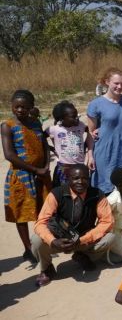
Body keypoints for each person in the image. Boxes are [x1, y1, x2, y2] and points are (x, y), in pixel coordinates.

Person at [32, 164, 114, 287]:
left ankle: (83, 256)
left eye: (85, 178)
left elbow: (107, 221)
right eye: (75, 178)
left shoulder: (97, 194)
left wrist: (82, 240)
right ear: (68, 179)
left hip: (83, 240)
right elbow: (40, 223)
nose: (80, 182)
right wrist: (53, 241)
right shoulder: (56, 193)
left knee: (110, 237)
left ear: (89, 178)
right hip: (60, 240)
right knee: (36, 240)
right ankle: (47, 268)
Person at [3, 90, 51, 264]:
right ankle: (28, 249)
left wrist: (45, 167)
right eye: (17, 106)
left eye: (24, 106)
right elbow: (9, 154)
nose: (20, 110)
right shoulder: (7, 126)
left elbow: (44, 145)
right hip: (21, 176)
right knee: (21, 215)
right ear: (12, 106)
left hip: (41, 176)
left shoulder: (36, 123)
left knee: (43, 212)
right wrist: (35, 170)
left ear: (31, 107)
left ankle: (42, 244)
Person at [86, 67, 122, 193]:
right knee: (105, 187)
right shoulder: (96, 104)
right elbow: (91, 133)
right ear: (107, 82)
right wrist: (90, 155)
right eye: (116, 83)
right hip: (105, 150)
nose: (119, 86)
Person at [46, 101, 92, 188]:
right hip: (64, 166)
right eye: (73, 117)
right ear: (61, 119)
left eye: (77, 115)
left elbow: (90, 131)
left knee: (80, 187)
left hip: (79, 165)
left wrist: (85, 144)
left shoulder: (81, 126)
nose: (77, 118)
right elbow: (40, 137)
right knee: (64, 189)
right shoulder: (54, 129)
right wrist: (50, 148)